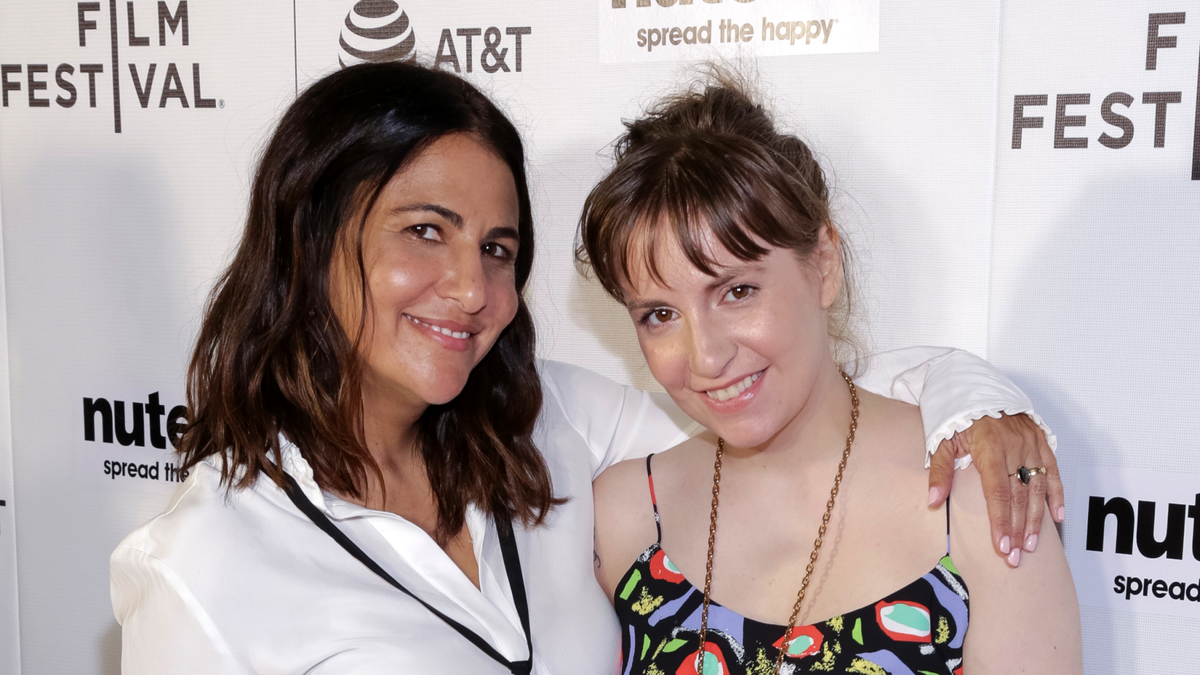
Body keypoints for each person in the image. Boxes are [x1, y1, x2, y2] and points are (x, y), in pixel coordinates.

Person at [110, 62, 1062, 674]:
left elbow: (791, 407)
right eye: (425, 231)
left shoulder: (555, 433)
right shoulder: (201, 564)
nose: (471, 286)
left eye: (495, 247)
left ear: (825, 261)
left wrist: (973, 400)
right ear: (312, 239)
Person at [582, 74, 1082, 674]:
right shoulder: (627, 514)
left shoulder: (981, 494)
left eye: (737, 291)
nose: (706, 357)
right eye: (660, 315)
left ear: (822, 265)